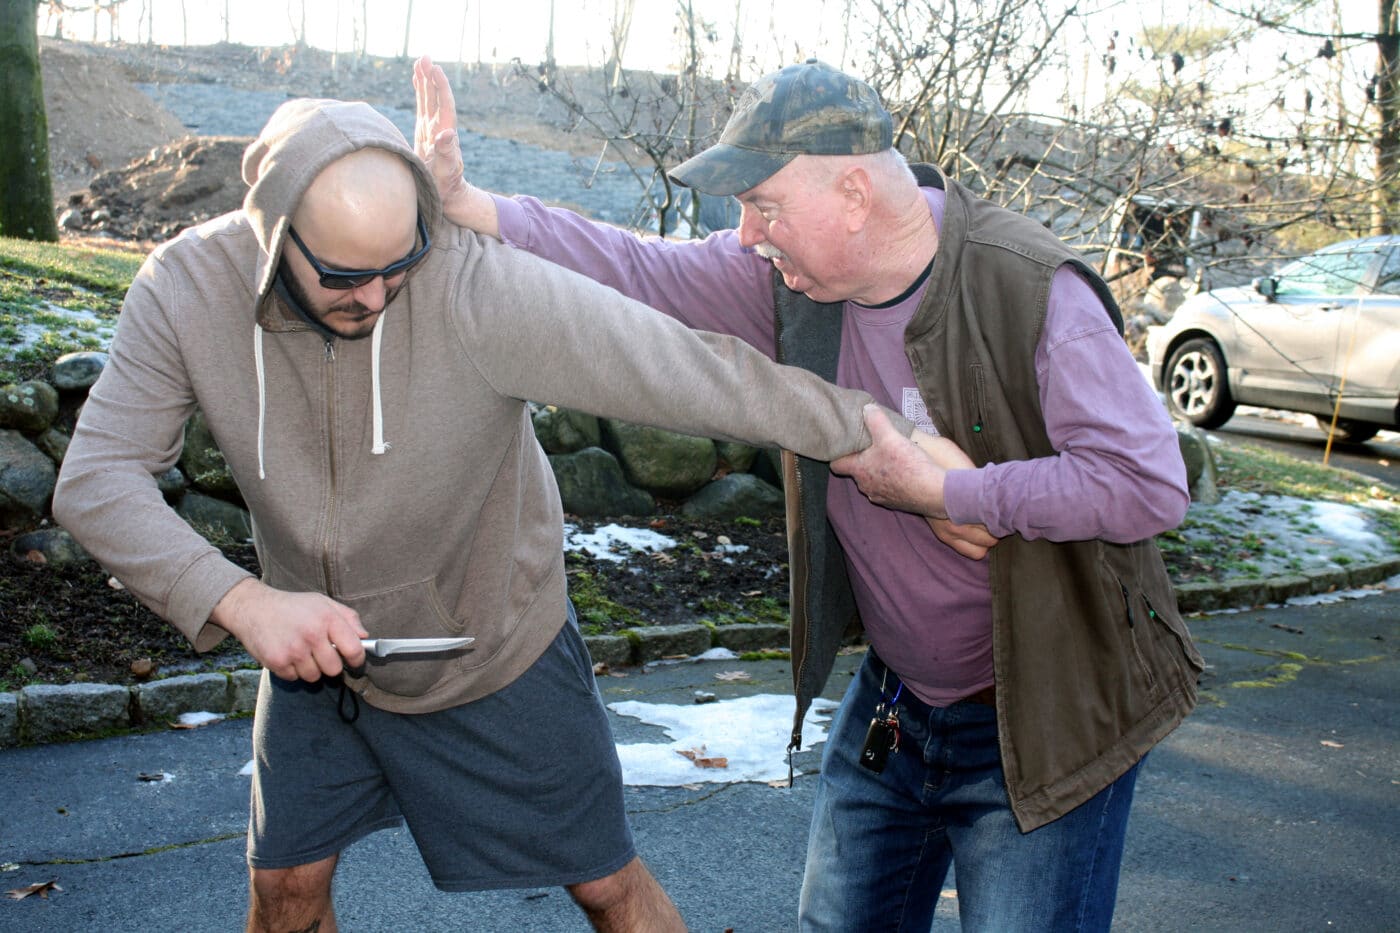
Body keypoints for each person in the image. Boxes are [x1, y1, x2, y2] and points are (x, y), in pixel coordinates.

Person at [52, 95, 958, 932]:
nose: (373, 298)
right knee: (283, 887)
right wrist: (245, 603)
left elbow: (685, 367)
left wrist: (876, 435)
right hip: (315, 650)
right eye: (342, 274)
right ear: (272, 234)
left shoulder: (471, 284)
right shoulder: (187, 288)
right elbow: (96, 480)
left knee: (605, 882)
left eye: (396, 266)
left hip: (493, 643)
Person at [415, 56, 1205, 931]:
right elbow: (634, 267)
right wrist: (469, 206)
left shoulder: (1031, 291)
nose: (749, 233)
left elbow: (1145, 481)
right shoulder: (788, 292)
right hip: (898, 707)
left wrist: (950, 490)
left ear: (857, 196)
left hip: (1047, 715)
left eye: (766, 205)